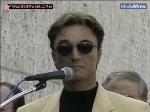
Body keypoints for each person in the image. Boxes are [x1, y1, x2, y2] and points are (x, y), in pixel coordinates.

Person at [17, 13, 150, 112]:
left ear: (99, 54)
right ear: (54, 57)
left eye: (85, 47)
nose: (75, 56)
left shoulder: (136, 109)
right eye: (65, 48)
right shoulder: (30, 111)